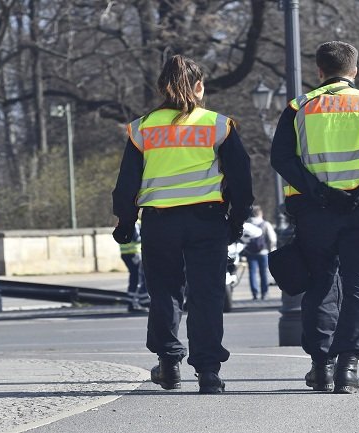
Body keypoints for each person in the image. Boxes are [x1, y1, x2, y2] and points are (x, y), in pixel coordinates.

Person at [270, 41, 359, 394]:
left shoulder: (298, 107)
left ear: (319, 71)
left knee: (319, 285)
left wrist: (321, 192)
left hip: (315, 212)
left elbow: (282, 159)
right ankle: (348, 368)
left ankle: (321, 367)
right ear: (355, 71)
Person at [112, 55, 254, 394]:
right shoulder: (219, 125)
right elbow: (241, 178)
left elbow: (127, 183)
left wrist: (125, 221)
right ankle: (208, 372)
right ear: (200, 87)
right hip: (207, 221)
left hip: (160, 223)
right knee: (206, 295)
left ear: (161, 87)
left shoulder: (142, 128)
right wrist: (236, 219)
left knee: (164, 293)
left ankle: (169, 363)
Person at [243, 205, 277, 300]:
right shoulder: (265, 224)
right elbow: (272, 238)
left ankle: (254, 293)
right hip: (263, 252)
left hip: (250, 252)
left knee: (252, 273)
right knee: (264, 273)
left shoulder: (246, 225)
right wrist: (271, 250)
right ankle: (264, 293)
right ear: (260, 213)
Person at [119, 221, 150, 312]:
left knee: (135, 277)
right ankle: (136, 303)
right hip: (134, 253)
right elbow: (136, 238)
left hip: (127, 253)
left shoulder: (123, 221)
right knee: (137, 278)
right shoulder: (133, 222)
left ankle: (135, 302)